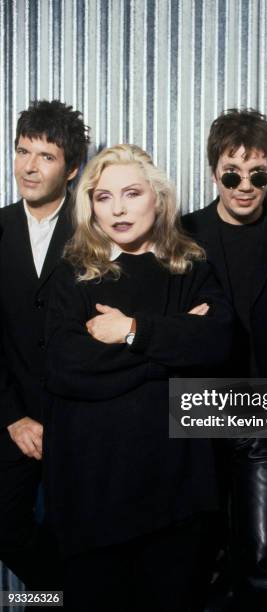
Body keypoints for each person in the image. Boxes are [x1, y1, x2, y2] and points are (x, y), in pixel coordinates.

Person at [44, 144, 232, 612]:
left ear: (159, 199)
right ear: (90, 206)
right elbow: (68, 369)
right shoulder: (73, 273)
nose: (119, 208)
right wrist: (169, 346)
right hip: (93, 488)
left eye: (131, 193)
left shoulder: (191, 267)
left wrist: (131, 331)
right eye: (104, 197)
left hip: (177, 489)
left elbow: (217, 346)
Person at [183, 108, 267, 611]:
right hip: (197, 410)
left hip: (266, 411)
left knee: (263, 556)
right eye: (232, 173)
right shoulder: (182, 234)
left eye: (258, 175)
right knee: (200, 553)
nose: (245, 186)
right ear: (213, 171)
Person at [0, 99, 89, 589]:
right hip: (10, 418)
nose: (29, 167)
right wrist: (13, 416)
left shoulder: (94, 235)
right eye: (22, 151)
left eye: (46, 156)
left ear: (72, 168)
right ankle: (59, 600)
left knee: (80, 535)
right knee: (7, 530)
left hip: (76, 423)